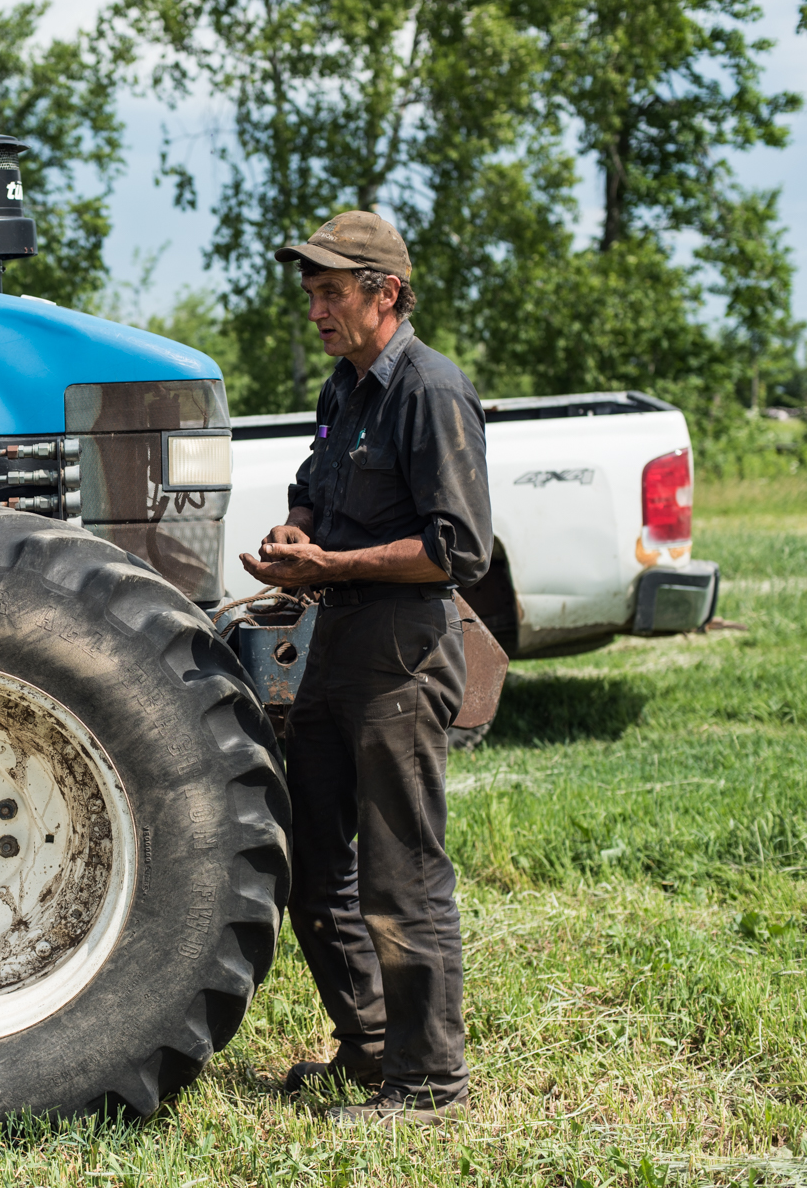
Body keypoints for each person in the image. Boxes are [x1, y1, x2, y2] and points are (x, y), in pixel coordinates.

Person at [240, 212, 491, 1126]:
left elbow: (459, 549)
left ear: (385, 292)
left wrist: (332, 568)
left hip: (401, 651)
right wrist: (294, 535)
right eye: (311, 292)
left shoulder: (431, 390)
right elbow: (316, 490)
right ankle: (372, 1043)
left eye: (331, 291)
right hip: (335, 645)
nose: (316, 308)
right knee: (311, 862)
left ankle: (429, 1084)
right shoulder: (342, 391)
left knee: (402, 871)